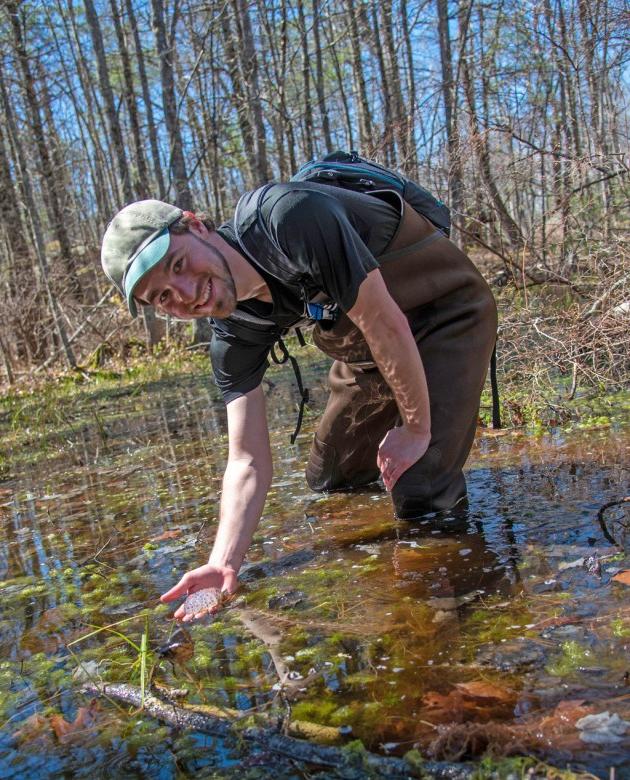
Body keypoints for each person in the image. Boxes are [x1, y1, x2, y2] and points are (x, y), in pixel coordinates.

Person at [101, 182, 498, 620]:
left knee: (420, 487)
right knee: (332, 476)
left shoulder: (288, 218)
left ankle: (461, 616)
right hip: (371, 354)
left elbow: (384, 321)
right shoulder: (234, 334)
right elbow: (246, 460)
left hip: (443, 315)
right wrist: (223, 561)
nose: (185, 293)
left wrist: (416, 429)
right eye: (161, 296)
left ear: (196, 225)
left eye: (178, 264)